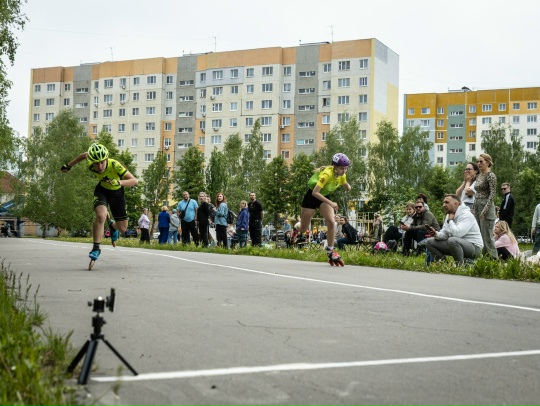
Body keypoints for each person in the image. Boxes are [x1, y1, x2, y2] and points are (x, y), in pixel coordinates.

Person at [61, 143, 138, 263]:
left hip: (117, 193)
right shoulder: (91, 162)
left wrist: (119, 182)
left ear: (106, 159)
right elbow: (84, 155)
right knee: (101, 216)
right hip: (102, 190)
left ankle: (112, 226)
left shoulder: (114, 165)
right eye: (96, 163)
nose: (100, 166)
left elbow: (134, 181)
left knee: (123, 229)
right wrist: (69, 165)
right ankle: (96, 248)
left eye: (102, 162)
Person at [293, 153, 352, 262]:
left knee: (331, 222)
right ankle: (297, 227)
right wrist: (331, 203)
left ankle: (330, 250)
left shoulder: (342, 175)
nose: (344, 171)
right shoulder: (327, 174)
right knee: (303, 229)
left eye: (346, 168)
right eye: (341, 168)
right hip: (311, 197)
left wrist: (348, 186)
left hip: (323, 197)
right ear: (335, 166)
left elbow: (343, 181)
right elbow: (315, 193)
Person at [425, 194, 483, 265]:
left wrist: (450, 221)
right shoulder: (449, 215)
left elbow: (457, 234)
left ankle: (459, 266)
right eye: (444, 202)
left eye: (447, 202)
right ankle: (443, 265)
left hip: (474, 248)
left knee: (452, 240)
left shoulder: (466, 215)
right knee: (429, 242)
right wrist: (436, 234)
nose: (444, 205)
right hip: (456, 245)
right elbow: (445, 233)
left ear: (456, 204)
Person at [472, 153, 497, 259]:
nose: (478, 163)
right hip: (477, 205)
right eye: (477, 161)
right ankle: (483, 259)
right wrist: (474, 209)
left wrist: (485, 210)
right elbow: (476, 194)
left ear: (488, 162)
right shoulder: (479, 176)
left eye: (481, 161)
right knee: (478, 235)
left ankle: (493, 260)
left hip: (486, 207)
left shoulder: (491, 176)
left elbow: (492, 194)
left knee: (487, 236)